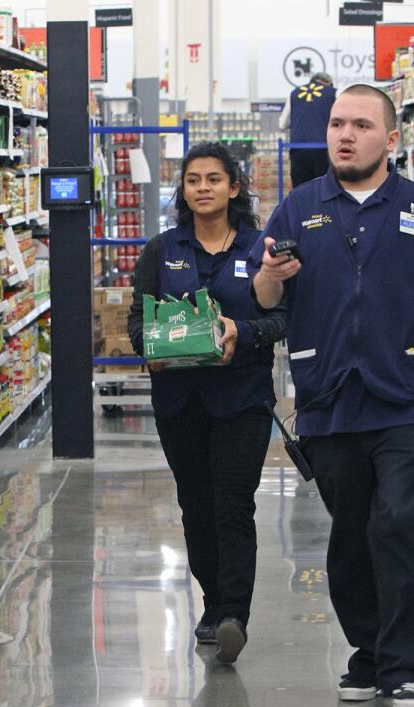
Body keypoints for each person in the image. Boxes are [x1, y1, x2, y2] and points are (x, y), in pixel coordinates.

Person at [250, 84, 414, 707]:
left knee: (402, 521)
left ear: (391, 138)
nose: (344, 135)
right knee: (352, 532)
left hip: (404, 398)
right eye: (335, 124)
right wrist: (271, 277)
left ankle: (406, 667)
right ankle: (369, 651)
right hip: (327, 397)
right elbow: (266, 300)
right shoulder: (298, 210)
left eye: (359, 124)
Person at [127, 142, 287, 664]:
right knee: (195, 507)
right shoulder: (162, 249)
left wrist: (245, 331)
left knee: (233, 503)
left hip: (242, 398)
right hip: (180, 401)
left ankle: (234, 612)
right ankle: (212, 602)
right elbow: (136, 318)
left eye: (213, 179)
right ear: (184, 191)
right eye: (193, 180)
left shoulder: (260, 248)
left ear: (233, 187)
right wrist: (149, 348)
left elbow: (284, 320)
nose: (202, 188)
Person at [279, 72, 335, 187]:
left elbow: (282, 124)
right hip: (324, 149)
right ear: (328, 83)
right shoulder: (333, 93)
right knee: (324, 189)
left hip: (298, 149)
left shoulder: (294, 93)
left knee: (301, 190)